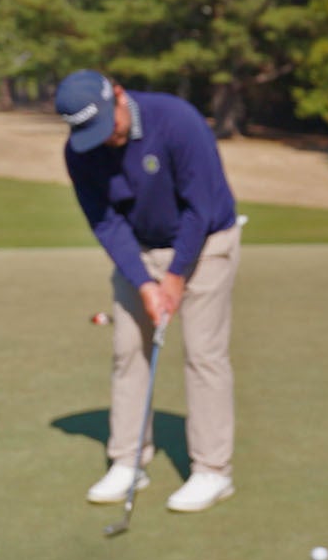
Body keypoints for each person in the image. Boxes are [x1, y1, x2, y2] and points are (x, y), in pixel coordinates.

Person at [56, 69, 243, 513]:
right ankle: (127, 461)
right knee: (128, 351)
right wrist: (143, 283)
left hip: (207, 241)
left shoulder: (176, 121)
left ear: (119, 95)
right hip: (138, 249)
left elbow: (202, 206)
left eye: (109, 125)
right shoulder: (81, 150)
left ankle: (213, 471)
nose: (106, 140)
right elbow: (105, 222)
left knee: (203, 353)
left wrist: (175, 276)